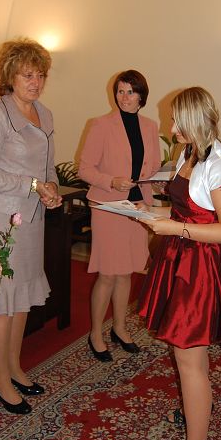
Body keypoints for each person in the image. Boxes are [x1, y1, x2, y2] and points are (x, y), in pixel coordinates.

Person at [138, 86, 221, 440]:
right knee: (187, 354)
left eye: (177, 122)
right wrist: (156, 211)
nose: (171, 128)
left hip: (200, 270)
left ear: (196, 121)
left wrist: (174, 228)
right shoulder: (189, 153)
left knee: (188, 359)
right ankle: (197, 407)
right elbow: (190, 208)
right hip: (181, 259)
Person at [0, 38, 62, 415]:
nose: (36, 82)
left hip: (32, 218)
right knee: (3, 301)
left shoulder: (45, 114)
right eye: (28, 75)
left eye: (40, 75)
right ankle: (0, 379)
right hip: (0, 221)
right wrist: (32, 185)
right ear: (10, 76)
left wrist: (51, 189)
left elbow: (48, 168)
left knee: (21, 297)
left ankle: (14, 367)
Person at [78, 70, 161, 362]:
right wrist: (111, 181)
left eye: (130, 92)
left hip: (137, 207)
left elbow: (152, 167)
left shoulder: (150, 126)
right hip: (108, 207)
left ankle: (120, 328)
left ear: (141, 96)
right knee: (108, 273)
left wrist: (159, 182)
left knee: (126, 271)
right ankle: (95, 334)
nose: (124, 97)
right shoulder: (101, 125)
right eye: (120, 91)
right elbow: (85, 169)